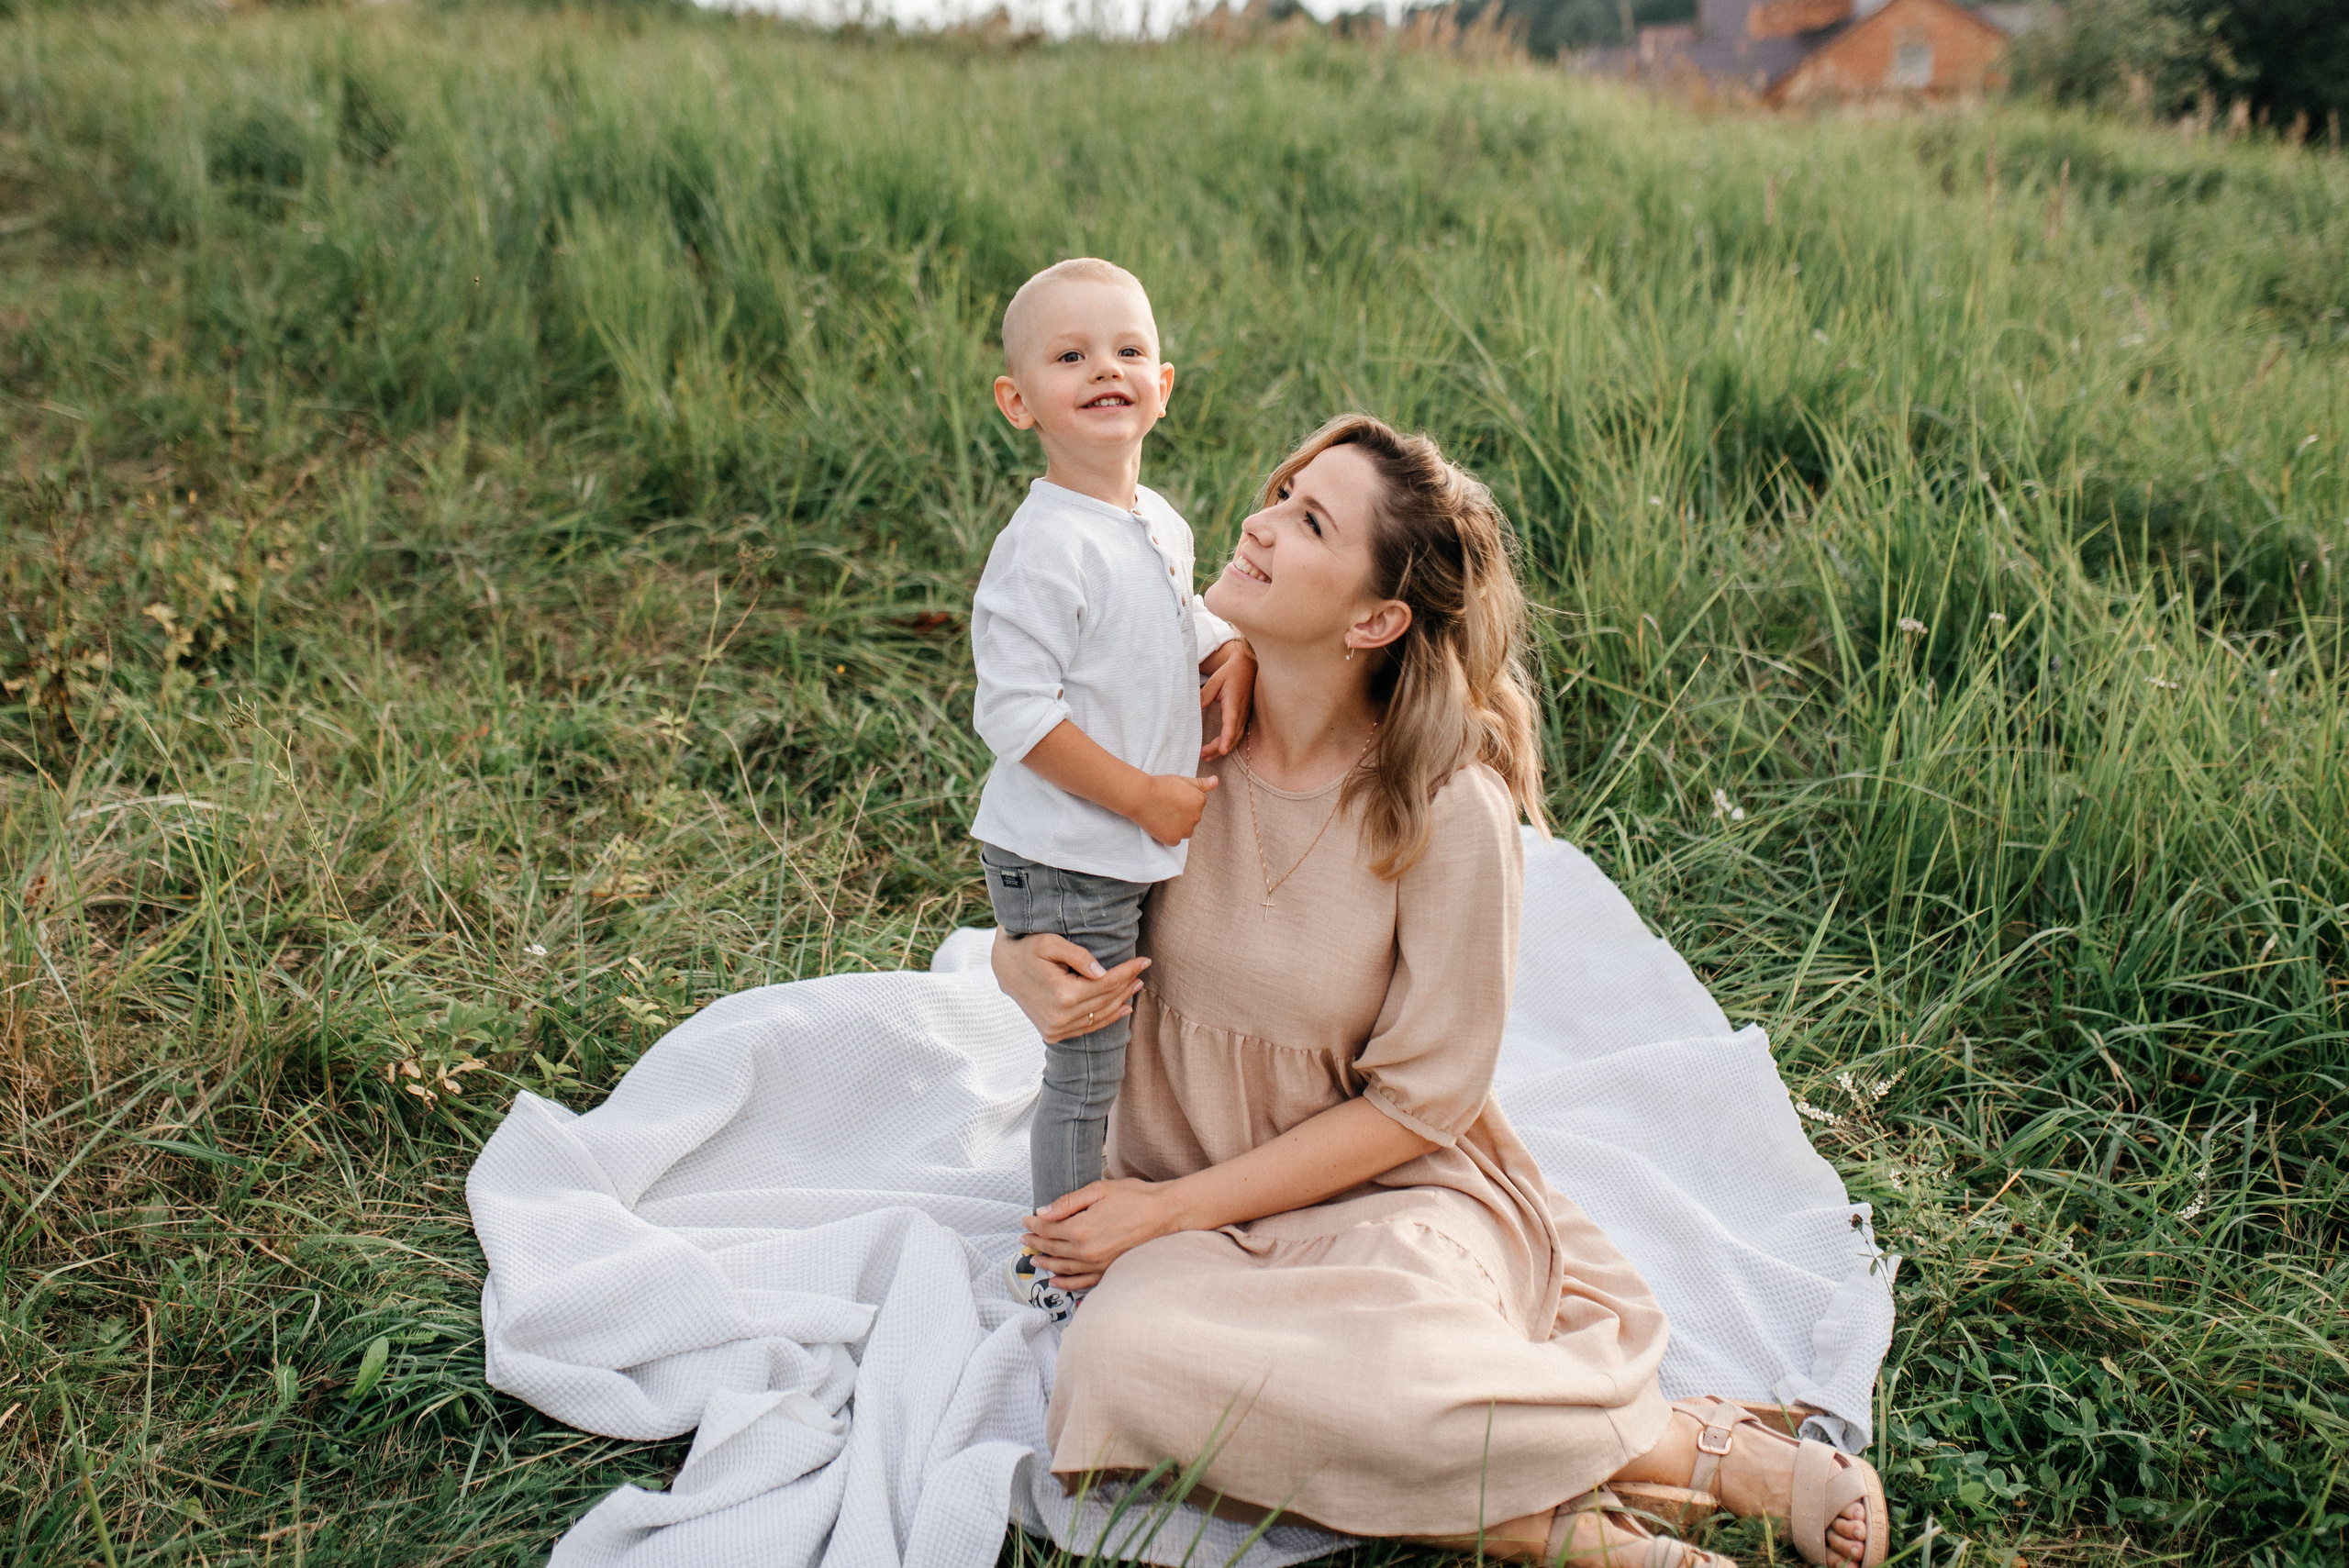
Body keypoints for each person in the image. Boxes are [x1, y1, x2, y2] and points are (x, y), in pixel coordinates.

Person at [989, 415, 1887, 1568]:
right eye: (1279, 493)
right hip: (1173, 1172)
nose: (1257, 523)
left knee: (1410, 1346)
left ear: (1375, 619)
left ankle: (1680, 1446)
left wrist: (1164, 1215)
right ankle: (1556, 1528)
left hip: (1377, 1182)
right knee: (1119, 1358)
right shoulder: (1167, 710)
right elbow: (1037, 858)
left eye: (1309, 521)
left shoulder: (1446, 807)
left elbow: (1420, 1104)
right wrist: (1023, 966)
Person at [969, 258, 1257, 1318]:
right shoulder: (1043, 547)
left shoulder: (1155, 520)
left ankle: (1100, 1200)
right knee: (1084, 1065)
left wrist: (1229, 647)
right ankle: (1056, 1261)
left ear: (1164, 384)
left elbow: (1168, 617)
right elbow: (1014, 711)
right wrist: (1140, 794)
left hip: (1114, 841)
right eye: (1071, 354)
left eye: (1128, 349)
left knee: (1118, 1047)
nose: (1106, 368)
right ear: (1019, 401)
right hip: (1066, 849)